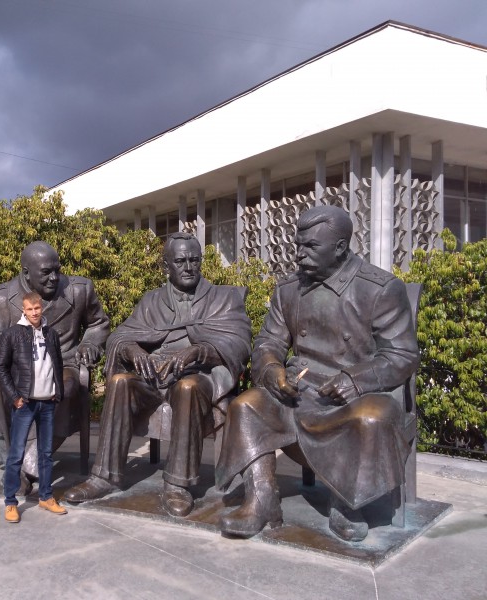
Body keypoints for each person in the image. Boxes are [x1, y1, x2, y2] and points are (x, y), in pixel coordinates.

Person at [216, 205, 420, 542]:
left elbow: (402, 354)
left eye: (311, 246)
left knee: (370, 418)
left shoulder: (379, 288)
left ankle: (347, 502)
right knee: (246, 405)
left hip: (361, 391)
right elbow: (268, 342)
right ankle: (262, 498)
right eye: (298, 245)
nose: (299, 255)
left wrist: (355, 379)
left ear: (340, 247)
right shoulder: (288, 289)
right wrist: (272, 369)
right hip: (301, 387)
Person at [64, 232, 251, 517]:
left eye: (194, 260)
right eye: (180, 261)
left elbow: (239, 342)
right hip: (153, 376)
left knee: (188, 387)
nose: (188, 267)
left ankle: (177, 484)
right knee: (120, 382)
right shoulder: (151, 300)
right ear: (166, 266)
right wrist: (133, 351)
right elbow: (120, 336)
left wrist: (197, 352)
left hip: (197, 376)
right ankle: (104, 477)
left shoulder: (223, 298)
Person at [0, 241, 110, 490]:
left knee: (65, 389)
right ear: (26, 273)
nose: (54, 278)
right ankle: (15, 463)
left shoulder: (79, 290)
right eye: (46, 272)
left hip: (62, 363)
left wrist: (89, 344)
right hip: (17, 367)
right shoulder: (0, 296)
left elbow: (98, 323)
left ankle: (24, 467)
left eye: (57, 270)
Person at [0, 291, 68, 523]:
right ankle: (10, 502)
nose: (34, 313)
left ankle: (46, 496)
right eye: (30, 309)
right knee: (16, 454)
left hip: (48, 402)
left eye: (37, 308)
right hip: (25, 403)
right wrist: (15, 397)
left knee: (45, 454)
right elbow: (0, 367)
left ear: (41, 308)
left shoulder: (51, 334)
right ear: (23, 310)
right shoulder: (12, 334)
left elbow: (58, 364)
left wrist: (58, 392)